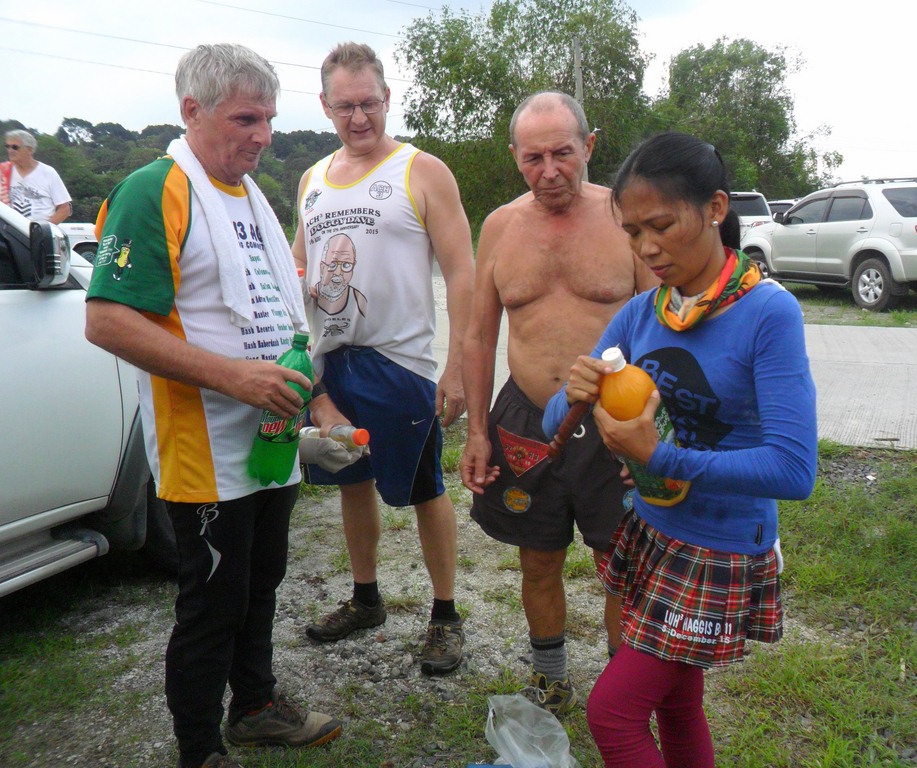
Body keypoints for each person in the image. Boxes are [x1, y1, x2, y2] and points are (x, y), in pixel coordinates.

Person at [84, 43, 342, 768]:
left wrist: (319, 405)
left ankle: (254, 707)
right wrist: (234, 379)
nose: (264, 136)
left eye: (269, 118)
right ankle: (198, 751)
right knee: (211, 604)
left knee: (260, 583)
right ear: (192, 111)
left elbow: (282, 318)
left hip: (271, 438)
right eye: (246, 119)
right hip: (204, 450)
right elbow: (106, 321)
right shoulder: (154, 190)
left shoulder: (252, 196)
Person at [542, 131, 818, 767]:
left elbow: (794, 469)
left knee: (612, 713)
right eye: (633, 232)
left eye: (661, 226)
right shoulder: (645, 312)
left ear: (716, 208)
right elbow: (561, 417)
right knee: (676, 705)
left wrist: (661, 458)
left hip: (721, 546)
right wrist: (572, 391)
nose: (647, 248)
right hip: (654, 530)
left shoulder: (768, 313)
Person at [461, 91, 657, 715]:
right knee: (538, 558)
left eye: (563, 154)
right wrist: (476, 431)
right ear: (515, 156)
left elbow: (663, 331)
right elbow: (477, 335)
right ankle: (550, 681)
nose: (549, 172)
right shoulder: (499, 227)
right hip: (526, 418)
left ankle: (623, 692)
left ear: (589, 146)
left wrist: (653, 433)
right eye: (533, 158)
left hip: (613, 418)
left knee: (619, 561)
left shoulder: (625, 218)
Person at [291, 42, 474, 676]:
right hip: (332, 364)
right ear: (325, 106)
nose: (359, 117)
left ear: (388, 98)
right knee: (350, 480)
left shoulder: (422, 170)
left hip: (401, 364)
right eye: (345, 106)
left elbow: (462, 269)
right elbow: (298, 264)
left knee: (424, 489)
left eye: (369, 103)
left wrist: (457, 368)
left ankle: (445, 614)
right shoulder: (312, 180)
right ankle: (365, 599)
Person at [0, 129, 72, 223]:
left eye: (15, 147)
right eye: (7, 146)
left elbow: (65, 209)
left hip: (39, 230)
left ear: (29, 150)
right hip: (11, 230)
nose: (10, 150)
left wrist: (43, 229)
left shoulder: (48, 172)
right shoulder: (3, 172)